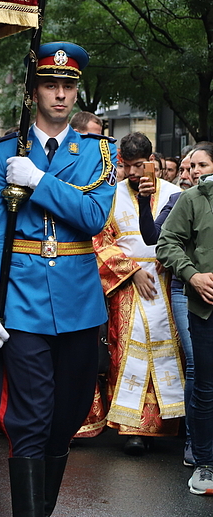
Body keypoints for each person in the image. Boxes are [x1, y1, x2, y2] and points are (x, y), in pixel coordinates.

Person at [0, 43, 116, 516]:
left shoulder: (99, 152)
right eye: (50, 85)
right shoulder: (1, 154)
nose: (60, 94)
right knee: (30, 416)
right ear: (33, 91)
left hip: (78, 300)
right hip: (22, 299)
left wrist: (38, 180)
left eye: (68, 86)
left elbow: (93, 217)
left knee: (69, 415)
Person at [92, 132, 184, 454]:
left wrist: (170, 260)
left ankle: (169, 421)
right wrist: (131, 272)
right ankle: (131, 428)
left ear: (152, 160)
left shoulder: (175, 193)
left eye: (139, 166)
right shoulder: (110, 195)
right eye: (126, 166)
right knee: (128, 354)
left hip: (167, 283)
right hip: (128, 285)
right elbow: (99, 240)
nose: (132, 173)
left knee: (169, 353)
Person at [157, 142, 213, 496]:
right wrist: (193, 275)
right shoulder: (194, 198)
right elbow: (165, 244)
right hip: (204, 307)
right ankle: (205, 462)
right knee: (205, 385)